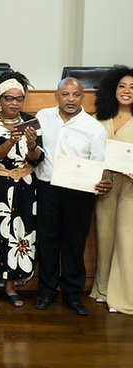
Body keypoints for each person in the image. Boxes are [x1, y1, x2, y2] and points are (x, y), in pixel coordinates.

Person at [33, 77, 112, 316]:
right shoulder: (42, 116)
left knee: (74, 244)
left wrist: (104, 180)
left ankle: (72, 294)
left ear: (83, 98)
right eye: (65, 94)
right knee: (47, 242)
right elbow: (32, 149)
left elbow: (100, 164)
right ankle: (46, 291)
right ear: (56, 95)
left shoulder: (94, 128)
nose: (70, 99)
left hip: (79, 192)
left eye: (76, 95)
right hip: (47, 188)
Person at [0, 70, 43, 308]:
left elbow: (37, 158)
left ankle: (12, 286)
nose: (14, 103)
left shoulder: (32, 122)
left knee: (20, 234)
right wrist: (12, 141)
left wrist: (32, 143)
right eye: (8, 98)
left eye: (18, 99)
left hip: (25, 186)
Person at [90, 66, 133, 314]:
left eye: (132, 88)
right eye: (122, 86)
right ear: (112, 89)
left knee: (126, 239)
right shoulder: (99, 119)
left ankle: (123, 296)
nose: (126, 91)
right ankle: (103, 290)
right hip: (104, 186)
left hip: (130, 187)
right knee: (104, 238)